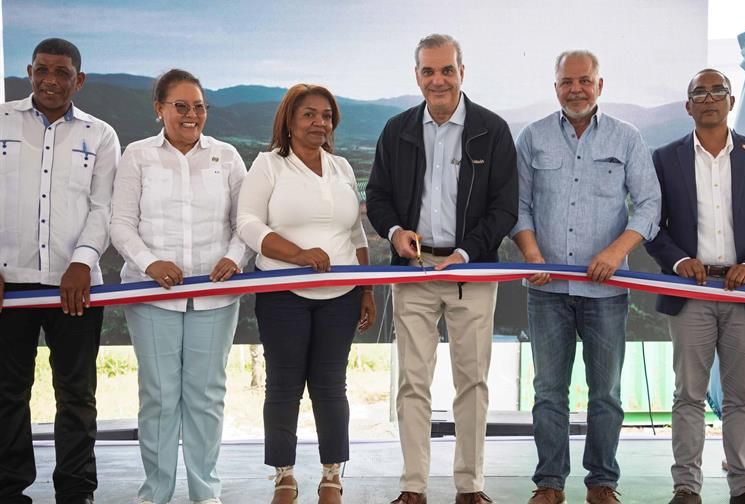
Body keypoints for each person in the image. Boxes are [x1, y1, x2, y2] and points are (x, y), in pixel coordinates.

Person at [365, 34, 518, 504]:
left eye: (447, 70)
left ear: (461, 72)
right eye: (429, 71)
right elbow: (378, 196)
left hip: (472, 270)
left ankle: (470, 486)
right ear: (417, 76)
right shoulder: (397, 130)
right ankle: (412, 487)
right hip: (413, 270)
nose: (438, 80)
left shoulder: (492, 130)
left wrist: (467, 252)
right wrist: (395, 232)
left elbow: (505, 207)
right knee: (412, 381)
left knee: (472, 381)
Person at [511, 50, 660, 504]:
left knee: (606, 393)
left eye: (584, 80)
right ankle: (549, 484)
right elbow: (518, 206)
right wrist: (532, 254)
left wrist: (616, 252)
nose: (575, 89)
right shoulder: (532, 137)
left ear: (600, 84)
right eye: (566, 82)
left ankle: (602, 483)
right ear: (555, 87)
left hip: (607, 291)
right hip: (546, 290)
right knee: (548, 392)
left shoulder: (627, 137)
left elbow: (650, 204)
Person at [644, 69, 745, 504]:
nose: (709, 98)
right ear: (688, 105)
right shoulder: (664, 158)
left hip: (743, 293)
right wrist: (678, 261)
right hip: (690, 291)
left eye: (718, 91)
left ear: (730, 101)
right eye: (699, 92)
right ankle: (686, 487)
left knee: (741, 396)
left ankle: (743, 486)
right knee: (687, 395)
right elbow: (651, 224)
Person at [110, 69, 248, 504]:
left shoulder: (227, 156)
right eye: (181, 106)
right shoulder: (137, 156)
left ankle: (206, 492)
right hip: (151, 295)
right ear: (159, 109)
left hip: (215, 296)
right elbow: (120, 224)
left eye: (199, 106)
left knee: (206, 396)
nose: (192, 114)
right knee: (159, 397)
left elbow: (245, 223)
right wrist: (149, 263)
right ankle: (156, 492)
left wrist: (235, 257)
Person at [236, 83, 375, 504]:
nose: (320, 122)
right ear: (290, 122)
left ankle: (332, 477)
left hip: (342, 294)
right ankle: (284, 476)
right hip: (282, 292)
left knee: (331, 385)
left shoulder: (342, 167)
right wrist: (297, 255)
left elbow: (355, 233)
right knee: (283, 385)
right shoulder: (268, 165)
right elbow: (248, 223)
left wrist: (366, 288)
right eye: (309, 114)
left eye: (327, 115)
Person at [0, 38, 120, 504]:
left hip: (76, 285)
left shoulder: (101, 135)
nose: (50, 80)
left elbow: (103, 207)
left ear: (79, 79)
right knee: (7, 392)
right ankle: (9, 490)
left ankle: (76, 491)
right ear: (29, 72)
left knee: (76, 394)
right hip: (9, 285)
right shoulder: (1, 121)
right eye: (43, 70)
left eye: (62, 72)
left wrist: (81, 261)